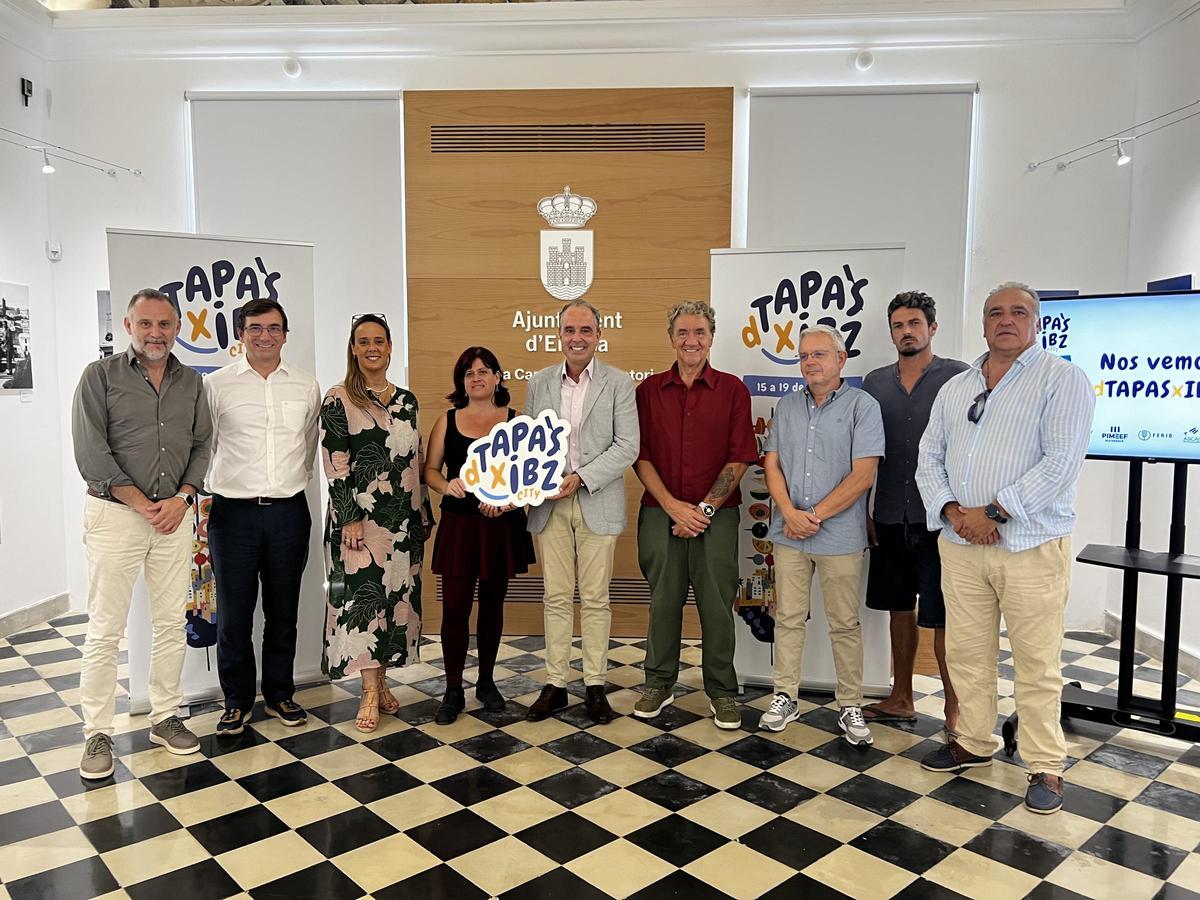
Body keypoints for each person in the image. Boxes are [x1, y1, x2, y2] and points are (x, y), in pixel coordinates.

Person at [916, 282, 1094, 815]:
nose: (1006, 320)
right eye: (995, 312)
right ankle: (972, 740)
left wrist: (994, 512)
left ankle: (1044, 764)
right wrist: (953, 513)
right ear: (984, 322)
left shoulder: (1062, 380)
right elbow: (930, 457)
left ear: (1036, 322)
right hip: (960, 544)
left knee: (1036, 662)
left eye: (1018, 312)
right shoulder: (957, 386)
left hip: (1030, 545)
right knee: (967, 652)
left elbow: (1061, 463)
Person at [71, 288, 212, 778]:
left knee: (171, 622)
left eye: (165, 325)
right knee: (106, 627)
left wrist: (181, 498)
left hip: (174, 515)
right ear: (129, 327)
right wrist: (140, 502)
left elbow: (202, 445)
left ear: (177, 328)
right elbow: (91, 452)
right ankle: (97, 733)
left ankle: (166, 716)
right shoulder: (99, 377)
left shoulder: (191, 382)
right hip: (115, 515)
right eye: (146, 324)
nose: (156, 333)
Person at [632, 301, 758, 729]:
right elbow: (640, 456)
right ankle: (659, 683)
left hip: (716, 517)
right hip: (659, 513)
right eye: (683, 333)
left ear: (711, 337)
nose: (692, 341)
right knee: (663, 601)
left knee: (718, 604)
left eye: (700, 332)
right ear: (671, 338)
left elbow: (740, 457)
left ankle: (722, 691)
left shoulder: (733, 390)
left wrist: (702, 510)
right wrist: (672, 506)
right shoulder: (647, 391)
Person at [758, 325, 885, 746]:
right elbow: (771, 464)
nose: (810, 362)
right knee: (788, 619)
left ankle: (850, 703)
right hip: (789, 533)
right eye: (805, 355)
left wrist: (812, 515)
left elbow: (864, 474)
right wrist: (790, 515)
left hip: (840, 538)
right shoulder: (787, 406)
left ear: (841, 360)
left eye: (819, 355)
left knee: (844, 624)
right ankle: (784, 697)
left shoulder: (862, 407)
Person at [204, 298, 320, 736]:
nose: (264, 336)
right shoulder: (216, 386)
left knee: (283, 610)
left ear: (285, 335)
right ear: (241, 334)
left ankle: (279, 693)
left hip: (289, 511)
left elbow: (308, 446)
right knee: (234, 615)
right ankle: (235, 701)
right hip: (232, 514)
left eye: (273, 328)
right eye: (255, 328)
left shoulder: (306, 385)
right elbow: (206, 445)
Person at [523, 299, 639, 724]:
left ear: (598, 335)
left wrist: (581, 477)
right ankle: (554, 683)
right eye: (570, 330)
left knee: (595, 598)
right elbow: (530, 443)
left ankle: (594, 685)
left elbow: (627, 445)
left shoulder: (618, 383)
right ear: (559, 336)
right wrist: (542, 479)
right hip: (549, 506)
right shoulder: (538, 383)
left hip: (596, 499)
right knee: (555, 597)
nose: (577, 338)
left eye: (586, 330)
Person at [861, 292, 968, 733]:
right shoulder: (874, 382)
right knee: (898, 609)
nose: (907, 331)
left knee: (944, 615)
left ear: (932, 328)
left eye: (915, 324)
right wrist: (866, 509)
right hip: (888, 512)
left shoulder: (959, 378)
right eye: (899, 325)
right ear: (891, 332)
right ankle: (901, 697)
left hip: (939, 517)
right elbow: (865, 452)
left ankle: (954, 709)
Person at [320, 314, 432, 733]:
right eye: (363, 341)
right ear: (353, 348)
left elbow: (415, 462)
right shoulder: (339, 398)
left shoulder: (407, 401)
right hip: (361, 526)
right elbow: (336, 463)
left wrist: (424, 515)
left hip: (402, 523)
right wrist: (349, 518)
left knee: (395, 605)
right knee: (365, 604)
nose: (372, 347)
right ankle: (368, 692)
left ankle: (382, 681)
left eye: (379, 341)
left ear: (390, 347)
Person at [424, 347, 536, 725]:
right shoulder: (448, 420)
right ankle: (452, 687)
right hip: (459, 524)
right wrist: (445, 486)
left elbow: (528, 478)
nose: (477, 377)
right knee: (455, 608)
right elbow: (431, 471)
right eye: (469, 373)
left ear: (498, 377)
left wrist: (506, 501)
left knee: (492, 606)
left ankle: (486, 682)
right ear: (462, 381)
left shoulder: (516, 421)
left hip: (500, 526)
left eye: (485, 371)